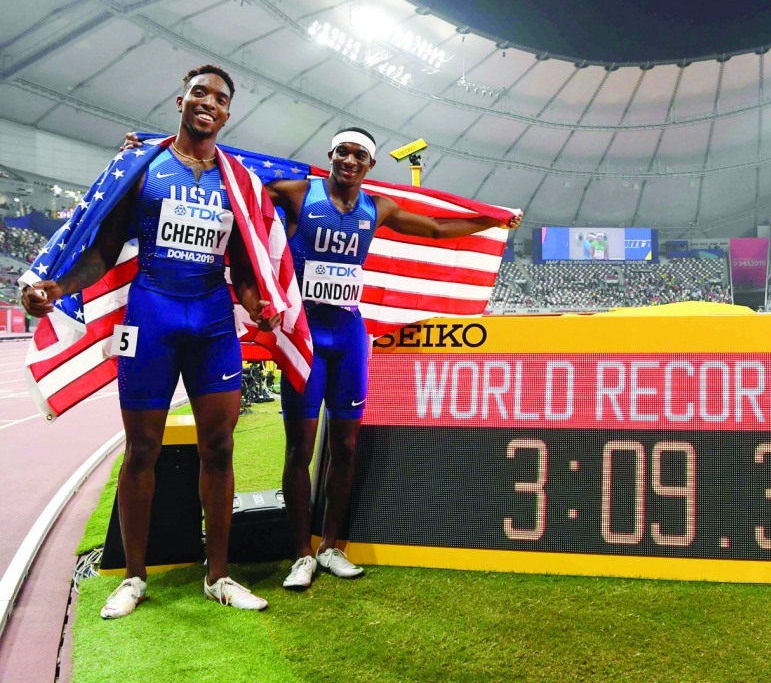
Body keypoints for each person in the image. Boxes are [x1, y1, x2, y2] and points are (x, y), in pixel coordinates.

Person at [123, 126, 523, 589]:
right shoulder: (299, 193)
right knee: (300, 448)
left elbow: (435, 228)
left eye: (359, 156)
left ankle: (333, 546)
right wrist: (154, 148)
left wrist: (491, 221)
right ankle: (301, 553)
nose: (349, 161)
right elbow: (238, 179)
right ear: (330, 156)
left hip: (348, 333)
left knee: (347, 447)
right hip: (304, 335)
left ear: (370, 166)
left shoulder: (378, 207)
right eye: (343, 153)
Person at [23, 65, 282, 617]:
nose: (208, 102)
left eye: (219, 97)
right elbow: (102, 251)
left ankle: (218, 576)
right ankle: (135, 578)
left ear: (228, 113)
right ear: (181, 101)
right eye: (199, 93)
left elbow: (241, 265)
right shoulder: (145, 168)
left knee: (221, 448)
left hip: (213, 322)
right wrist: (58, 286)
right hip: (150, 317)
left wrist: (255, 303)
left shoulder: (236, 181)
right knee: (142, 449)